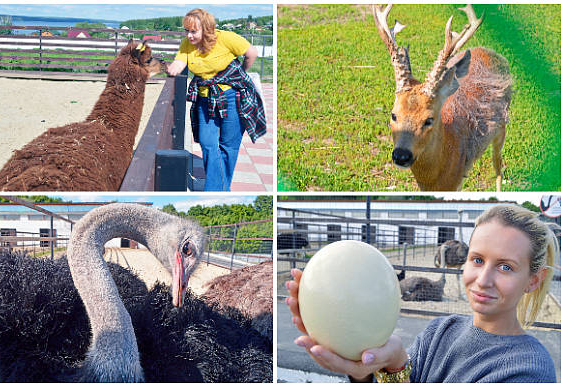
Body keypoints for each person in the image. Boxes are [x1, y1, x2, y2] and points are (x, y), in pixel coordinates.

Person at [286, 204, 558, 383]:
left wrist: (394, 361)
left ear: (533, 280)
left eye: (505, 267)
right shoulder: (439, 331)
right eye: (477, 260)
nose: (483, 280)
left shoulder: (529, 369)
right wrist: (385, 365)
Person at [167, 8, 266, 191]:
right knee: (207, 143)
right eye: (186, 30)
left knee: (228, 147)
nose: (189, 35)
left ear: (207, 29)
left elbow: (251, 53)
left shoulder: (227, 38)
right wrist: (172, 68)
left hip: (233, 97)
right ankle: (221, 190)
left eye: (193, 31)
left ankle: (216, 191)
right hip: (205, 100)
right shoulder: (187, 44)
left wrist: (239, 74)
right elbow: (180, 62)